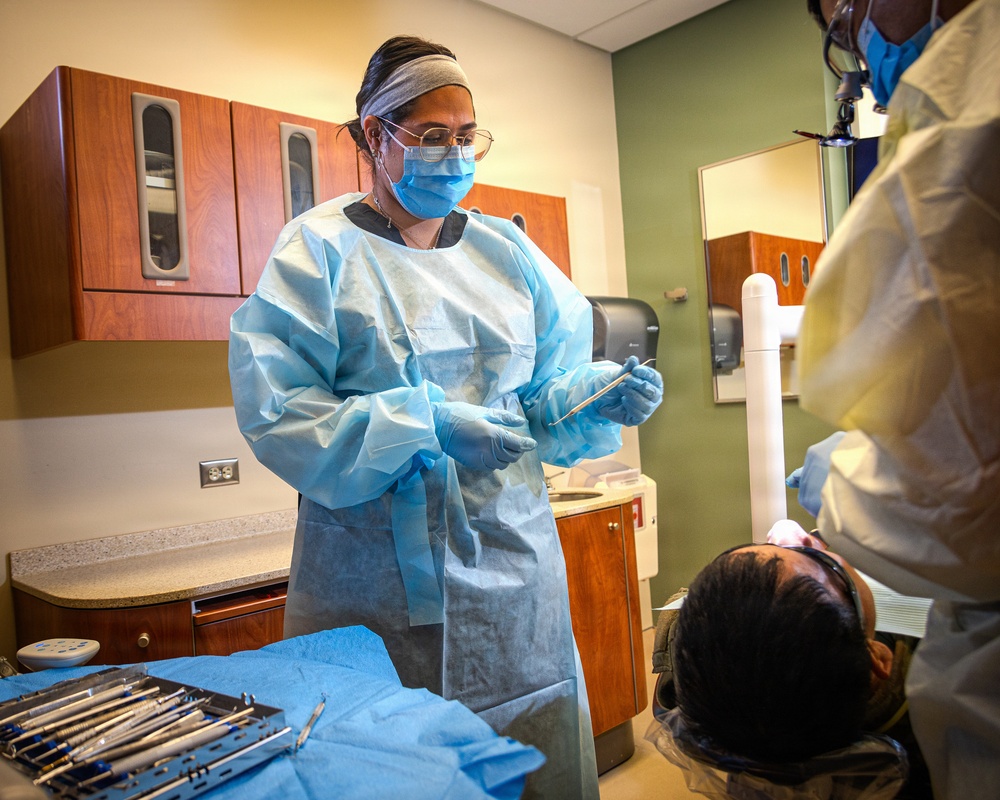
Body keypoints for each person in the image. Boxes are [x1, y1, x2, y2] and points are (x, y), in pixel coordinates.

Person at [228, 35, 663, 799]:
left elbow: (540, 401)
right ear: (376, 135)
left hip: (515, 577)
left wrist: (593, 396)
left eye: (466, 137)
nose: (455, 155)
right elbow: (283, 416)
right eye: (433, 136)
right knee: (393, 768)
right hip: (378, 592)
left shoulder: (507, 252)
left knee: (533, 761)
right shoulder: (318, 253)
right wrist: (424, 425)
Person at [792, 1, 1000, 797]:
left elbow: (961, 507)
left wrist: (847, 495)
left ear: (879, 662)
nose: (855, 50)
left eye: (847, 18)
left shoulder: (966, 120)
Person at [652, 522, 931, 799]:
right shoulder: (928, 689)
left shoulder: (695, 663)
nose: (799, 541)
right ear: (878, 657)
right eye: (824, 564)